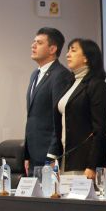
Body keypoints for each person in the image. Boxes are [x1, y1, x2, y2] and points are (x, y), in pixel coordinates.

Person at [47, 38, 106, 179]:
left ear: (86, 58)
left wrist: (92, 165)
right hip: (65, 159)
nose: (67, 54)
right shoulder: (70, 83)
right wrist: (54, 156)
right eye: (68, 50)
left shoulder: (97, 86)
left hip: (85, 163)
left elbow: (100, 130)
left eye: (73, 50)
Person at [24, 27, 72, 173]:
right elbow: (32, 117)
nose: (33, 46)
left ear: (52, 49)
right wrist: (26, 154)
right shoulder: (35, 74)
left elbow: (58, 118)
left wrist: (52, 154)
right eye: (34, 42)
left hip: (48, 155)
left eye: (39, 43)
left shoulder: (60, 75)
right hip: (33, 155)